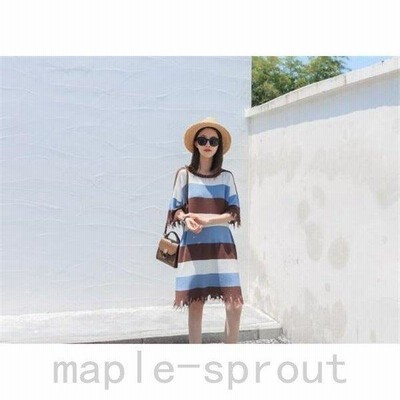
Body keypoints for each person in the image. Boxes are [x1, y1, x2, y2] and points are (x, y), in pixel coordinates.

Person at [166, 117, 243, 344]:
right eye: (202, 140)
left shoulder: (226, 177)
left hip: (222, 245)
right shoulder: (185, 175)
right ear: (195, 144)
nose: (208, 144)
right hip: (194, 245)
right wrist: (185, 218)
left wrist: (208, 220)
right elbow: (175, 210)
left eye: (213, 140)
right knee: (196, 303)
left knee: (235, 304)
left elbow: (234, 212)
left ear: (219, 146)